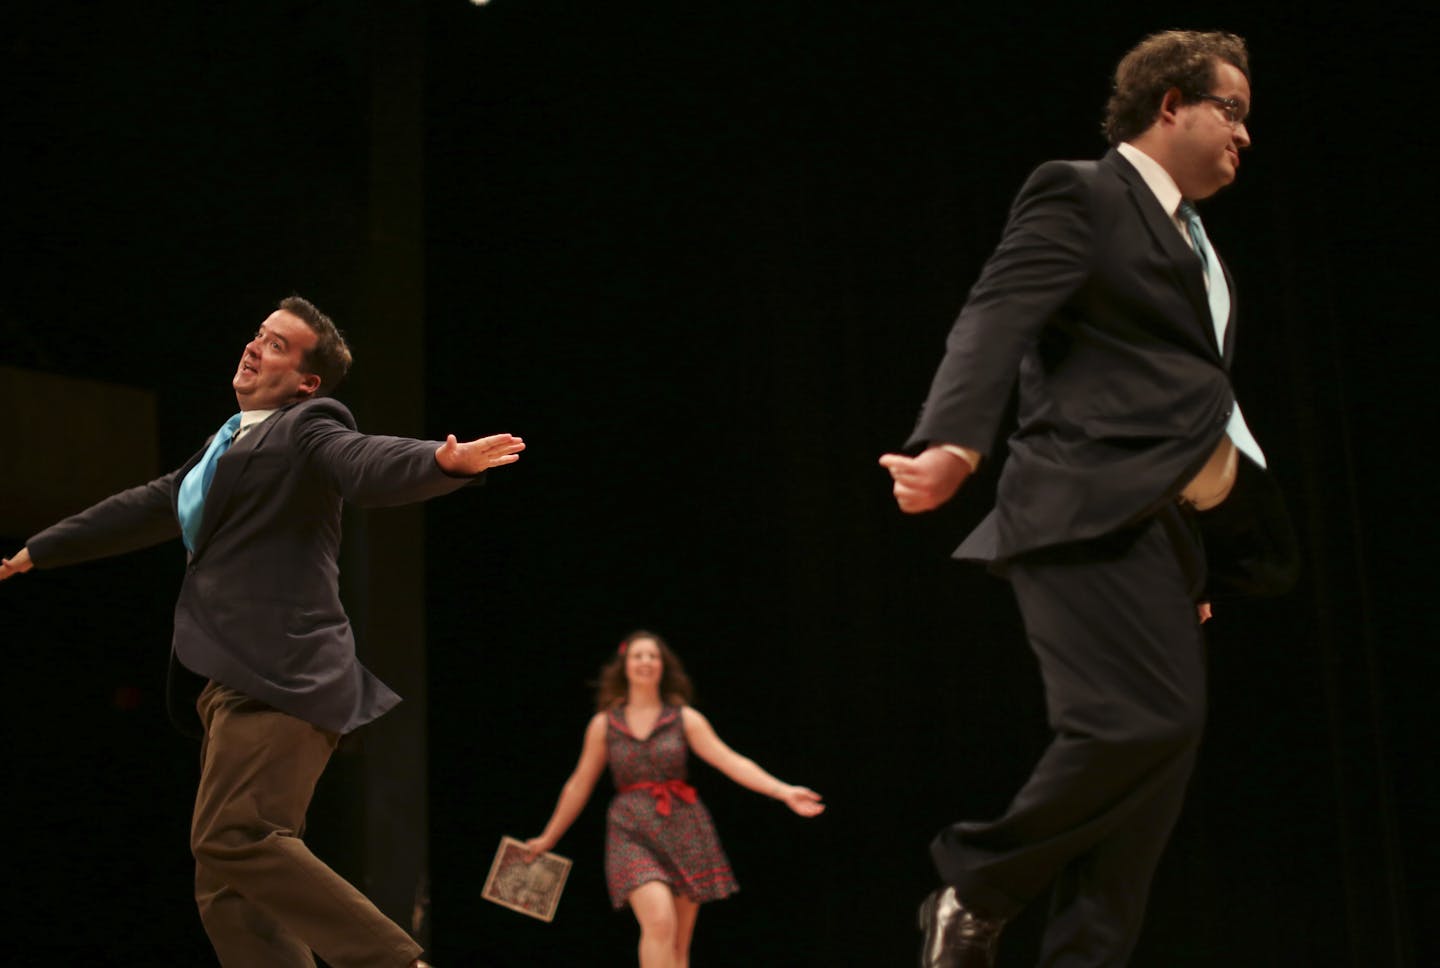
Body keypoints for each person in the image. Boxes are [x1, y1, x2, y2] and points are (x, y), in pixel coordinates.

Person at [879, 30, 1297, 968]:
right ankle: (974, 887)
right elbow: (997, 311)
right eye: (1229, 110)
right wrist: (952, 442)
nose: (1243, 135)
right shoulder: (1083, 191)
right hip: (1081, 509)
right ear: (1170, 105)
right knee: (1139, 725)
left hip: (1165, 528)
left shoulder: (1198, 241)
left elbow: (1189, 396)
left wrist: (1206, 545)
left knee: (1152, 778)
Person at [0, 295, 525, 968]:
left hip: (284, 676)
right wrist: (40, 549)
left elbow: (360, 459)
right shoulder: (225, 447)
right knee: (228, 888)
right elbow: (143, 505)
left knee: (236, 836)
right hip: (230, 680)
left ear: (307, 380)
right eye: (258, 335)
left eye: (277, 344)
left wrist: (439, 463)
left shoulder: (308, 425)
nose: (254, 347)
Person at [523, 630, 825, 968]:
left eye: (653, 656)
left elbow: (730, 760)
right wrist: (549, 836)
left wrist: (783, 790)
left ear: (663, 666)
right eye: (638, 656)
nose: (646, 662)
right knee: (659, 921)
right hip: (631, 830)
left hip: (683, 829)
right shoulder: (604, 725)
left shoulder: (684, 719)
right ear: (625, 666)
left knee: (678, 948)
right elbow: (578, 784)